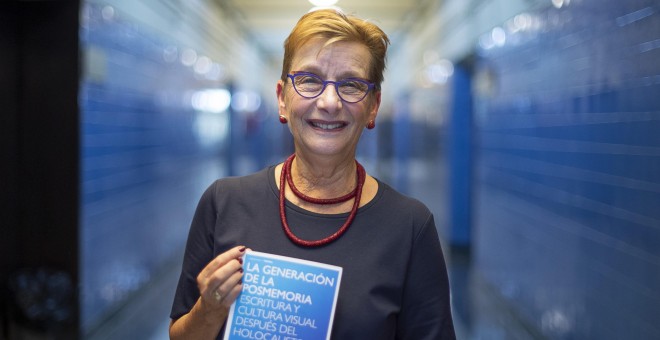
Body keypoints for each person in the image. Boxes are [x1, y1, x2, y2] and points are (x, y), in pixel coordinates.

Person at [169, 8, 455, 340]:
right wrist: (210, 309)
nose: (330, 102)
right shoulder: (224, 202)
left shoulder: (410, 226)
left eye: (351, 85)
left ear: (373, 106)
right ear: (282, 100)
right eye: (309, 80)